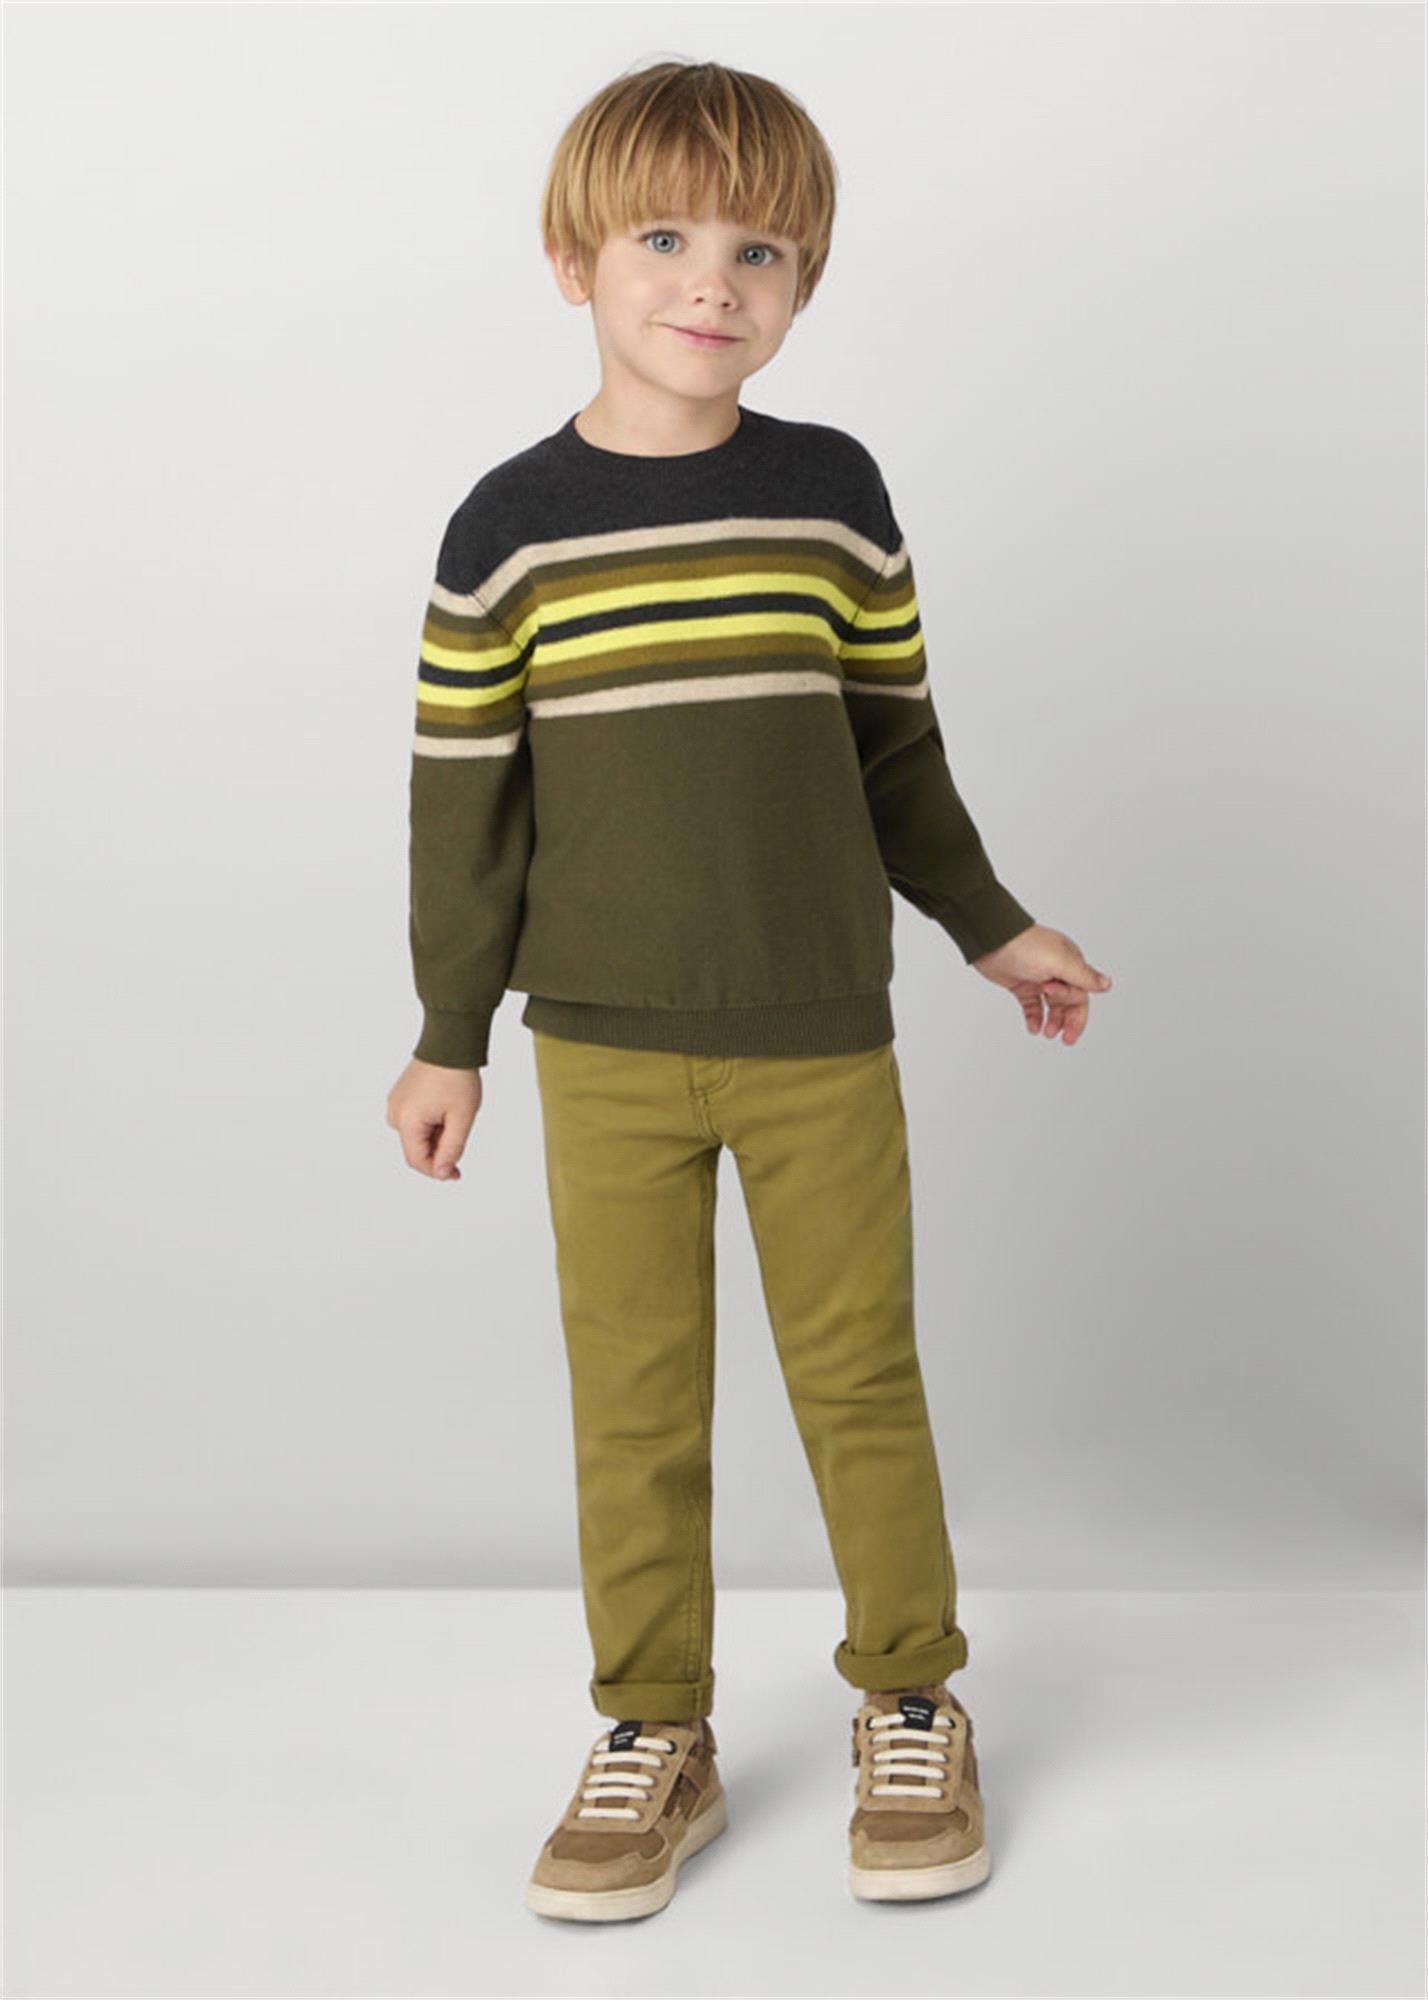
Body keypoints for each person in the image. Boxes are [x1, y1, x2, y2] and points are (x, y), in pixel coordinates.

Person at [385, 58, 1112, 1924]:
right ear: (575, 262)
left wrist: (994, 925)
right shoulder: (506, 528)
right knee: (635, 1403)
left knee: (860, 1377)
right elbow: (464, 806)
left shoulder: (831, 496)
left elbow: (898, 754)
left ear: (802, 283)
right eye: (662, 238)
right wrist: (448, 1036)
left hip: (818, 1040)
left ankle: (912, 1697)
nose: (712, 280)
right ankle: (654, 1729)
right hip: (601, 1053)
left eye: (760, 250)